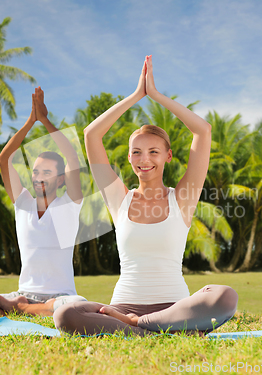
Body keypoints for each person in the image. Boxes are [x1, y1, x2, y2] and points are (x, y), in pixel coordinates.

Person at [54, 56, 238, 335]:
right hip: (122, 308)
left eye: (153, 151)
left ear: (168, 156)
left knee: (225, 295)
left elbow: (203, 130)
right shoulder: (119, 199)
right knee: (66, 314)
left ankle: (141, 328)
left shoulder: (182, 199)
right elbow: (92, 134)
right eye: (137, 152)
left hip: (174, 309)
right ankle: (163, 332)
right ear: (129, 157)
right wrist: (135, 95)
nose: (145, 159)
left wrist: (155, 95)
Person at [0, 87, 86, 318]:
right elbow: (4, 159)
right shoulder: (23, 202)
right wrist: (30, 122)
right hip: (23, 292)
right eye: (35, 172)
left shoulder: (69, 204)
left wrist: (45, 121)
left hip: (60, 295)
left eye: (47, 172)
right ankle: (26, 307)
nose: (39, 177)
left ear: (61, 179)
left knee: (76, 305)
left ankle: (17, 309)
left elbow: (72, 157)